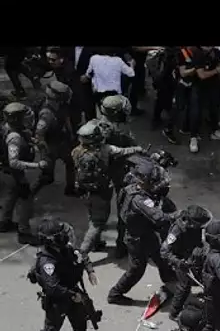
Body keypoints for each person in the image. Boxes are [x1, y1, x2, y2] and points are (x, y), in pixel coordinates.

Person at [107, 162, 179, 305]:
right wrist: (177, 215)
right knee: (137, 269)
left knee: (161, 257)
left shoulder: (132, 186)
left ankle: (171, 280)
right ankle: (115, 294)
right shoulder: (139, 199)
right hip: (137, 239)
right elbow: (159, 217)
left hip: (145, 233)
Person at [72, 122, 143, 258]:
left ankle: (96, 243)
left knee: (92, 215)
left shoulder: (76, 151)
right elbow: (122, 151)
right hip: (101, 191)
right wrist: (137, 148)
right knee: (97, 222)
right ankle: (82, 253)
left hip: (83, 190)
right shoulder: (105, 149)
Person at [28, 217, 98, 331]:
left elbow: (82, 255)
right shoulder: (47, 262)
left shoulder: (66, 249)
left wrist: (90, 270)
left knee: (81, 323)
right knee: (52, 328)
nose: (65, 236)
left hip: (73, 291)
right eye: (60, 235)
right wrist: (73, 295)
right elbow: (53, 287)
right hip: (58, 300)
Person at [0, 102, 47, 245]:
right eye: (24, 117)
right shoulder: (14, 137)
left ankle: (4, 222)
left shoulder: (8, 128)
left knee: (10, 196)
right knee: (26, 200)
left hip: (6, 172)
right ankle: (24, 232)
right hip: (13, 173)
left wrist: (32, 141)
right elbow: (14, 162)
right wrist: (37, 165)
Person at [160, 205, 212, 320]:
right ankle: (174, 313)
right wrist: (178, 262)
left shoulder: (194, 224)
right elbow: (164, 251)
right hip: (182, 260)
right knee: (184, 287)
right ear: (191, 223)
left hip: (194, 255)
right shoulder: (177, 230)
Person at [32, 81, 77, 196]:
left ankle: (70, 189)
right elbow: (39, 133)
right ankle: (29, 193)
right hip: (50, 144)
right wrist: (44, 149)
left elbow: (66, 117)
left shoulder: (61, 105)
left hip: (62, 141)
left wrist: (71, 134)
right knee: (47, 176)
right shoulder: (46, 113)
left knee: (71, 163)